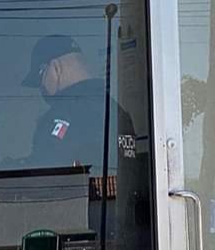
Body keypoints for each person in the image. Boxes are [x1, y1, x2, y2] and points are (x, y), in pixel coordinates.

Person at [21, 34, 136, 172]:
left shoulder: (62, 116)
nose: (42, 87)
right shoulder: (117, 112)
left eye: (41, 78)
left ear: (56, 68)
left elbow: (45, 174)